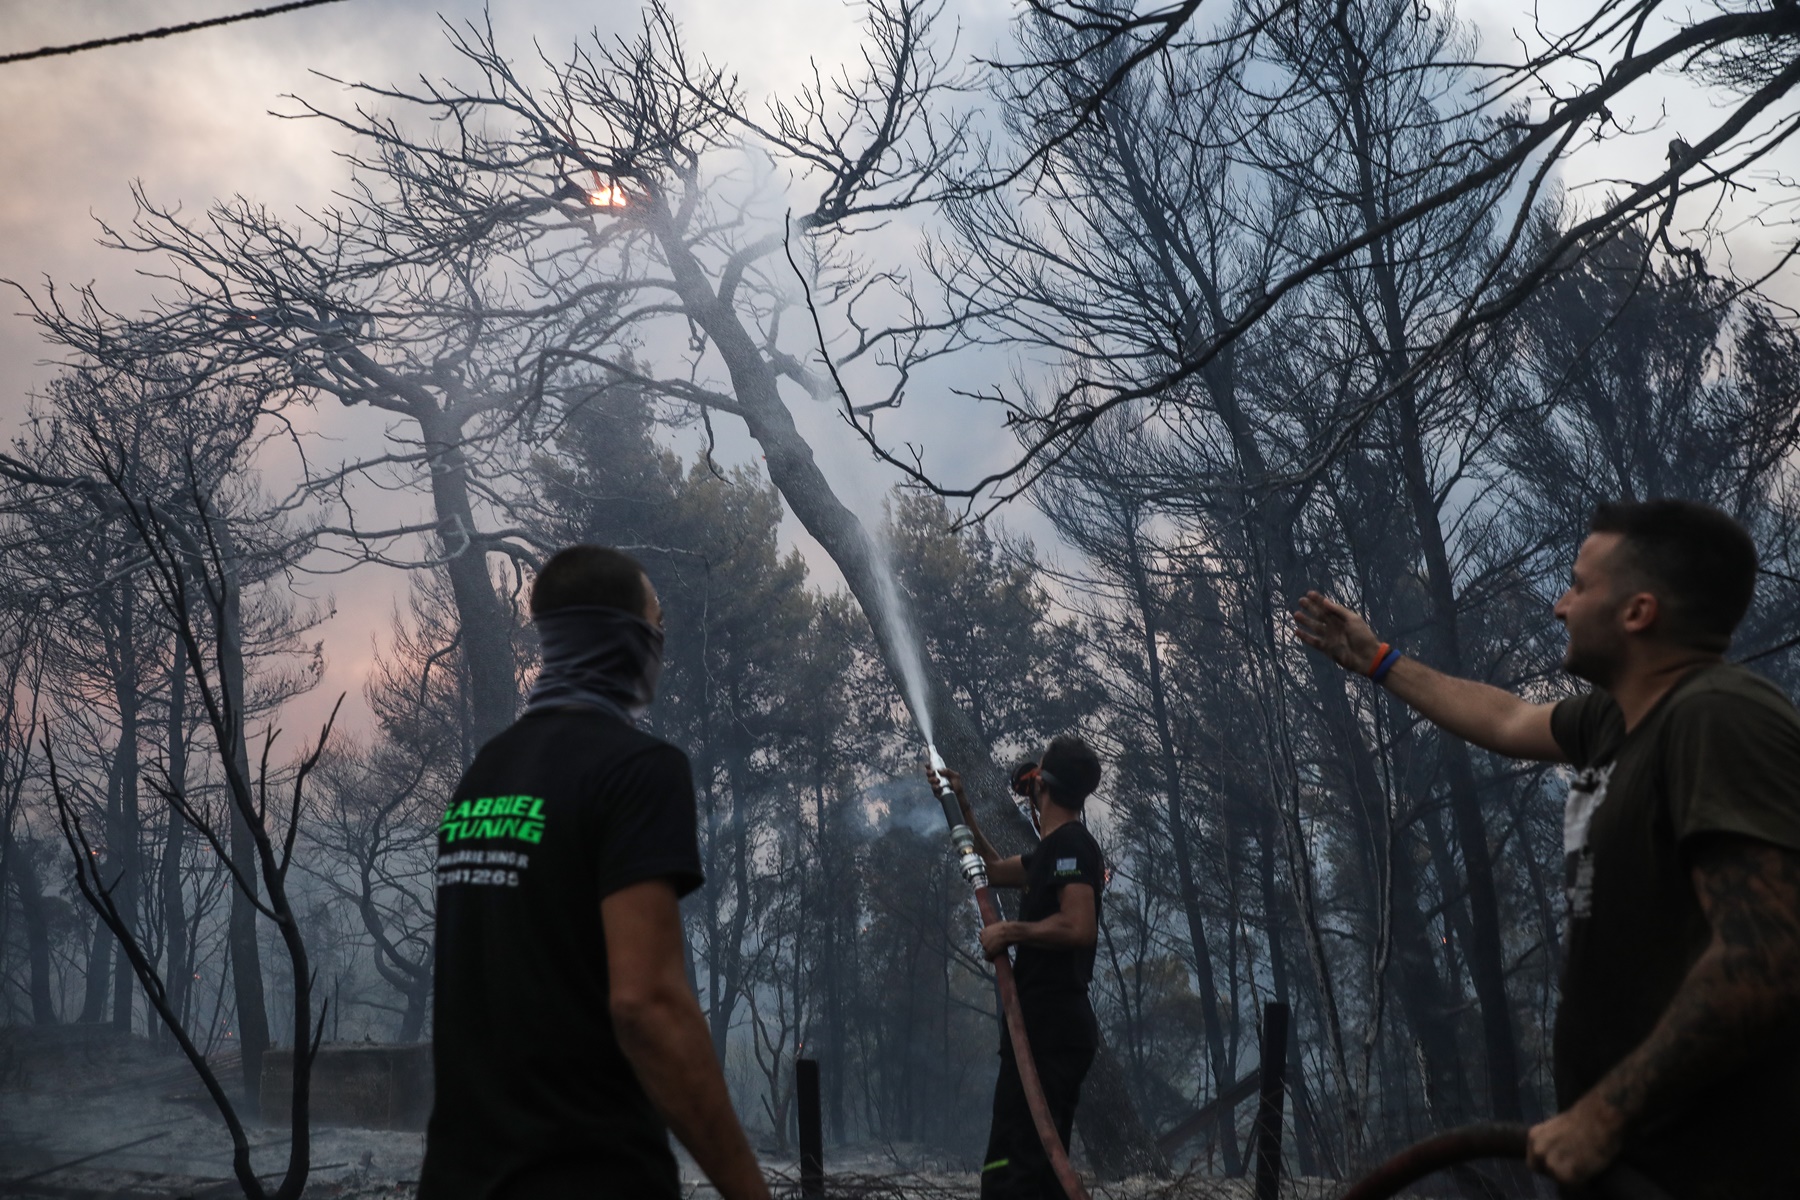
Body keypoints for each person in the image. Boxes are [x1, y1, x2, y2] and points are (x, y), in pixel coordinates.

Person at [1294, 499, 1800, 1200]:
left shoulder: (1718, 717)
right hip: (1627, 1159)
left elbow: (1769, 955)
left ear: (1638, 612)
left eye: (1579, 585)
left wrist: (1605, 1113)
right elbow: (1505, 717)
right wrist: (1378, 659)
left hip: (1708, 1170)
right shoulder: (1615, 720)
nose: (1561, 606)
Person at [420, 545, 768, 1200]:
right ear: (623, 638)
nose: (661, 645)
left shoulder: (486, 773)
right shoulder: (638, 770)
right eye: (655, 625)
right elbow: (647, 1005)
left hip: (459, 1180)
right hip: (585, 1176)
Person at [929, 736, 1106, 1200]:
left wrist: (1011, 933)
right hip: (1039, 1029)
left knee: (1015, 1170)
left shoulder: (1073, 847)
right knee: (1032, 1167)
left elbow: (1079, 925)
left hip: (1051, 1031)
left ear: (1041, 786)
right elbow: (989, 868)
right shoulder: (1051, 851)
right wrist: (961, 804)